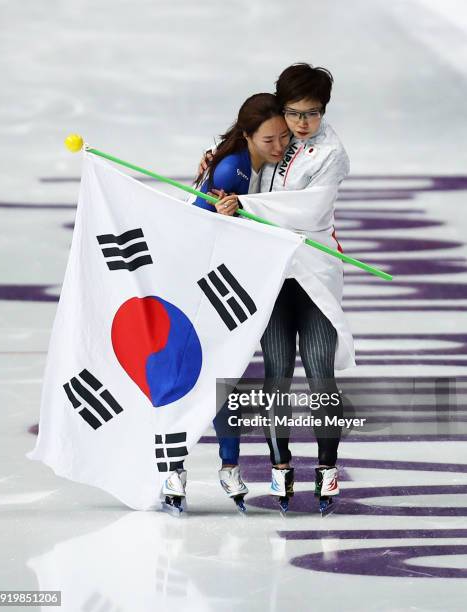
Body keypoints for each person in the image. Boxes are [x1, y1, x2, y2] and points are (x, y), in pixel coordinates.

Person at [197, 63, 354, 514]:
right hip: (270, 273)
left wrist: (243, 204)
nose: (302, 124)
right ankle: (280, 468)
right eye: (294, 113)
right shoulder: (272, 134)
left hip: (313, 270)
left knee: (321, 370)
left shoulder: (331, 153)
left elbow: (309, 210)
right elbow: (237, 153)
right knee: (278, 374)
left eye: (313, 113)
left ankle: (327, 469)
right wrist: (213, 170)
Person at [161, 92, 291, 513]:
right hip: (199, 285)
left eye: (283, 138)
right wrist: (231, 215)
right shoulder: (232, 169)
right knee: (196, 376)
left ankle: (224, 466)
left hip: (221, 283)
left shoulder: (246, 163)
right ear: (249, 135)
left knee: (225, 376)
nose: (279, 147)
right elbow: (203, 227)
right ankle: (176, 470)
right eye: (270, 139)